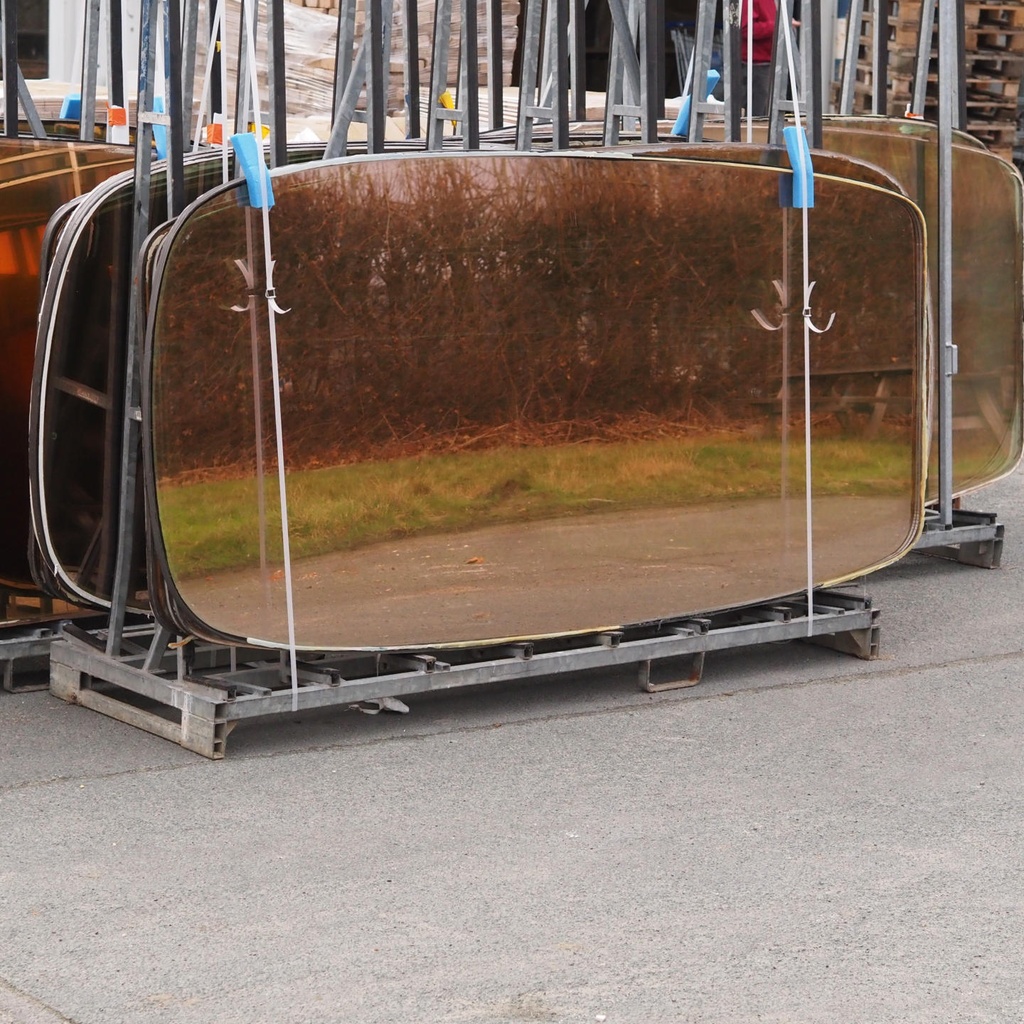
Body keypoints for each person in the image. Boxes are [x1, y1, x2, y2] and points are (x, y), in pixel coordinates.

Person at [740, 0, 778, 116]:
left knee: (762, 112)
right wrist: (775, 26)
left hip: (765, 61)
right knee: (757, 114)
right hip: (756, 64)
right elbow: (746, 29)